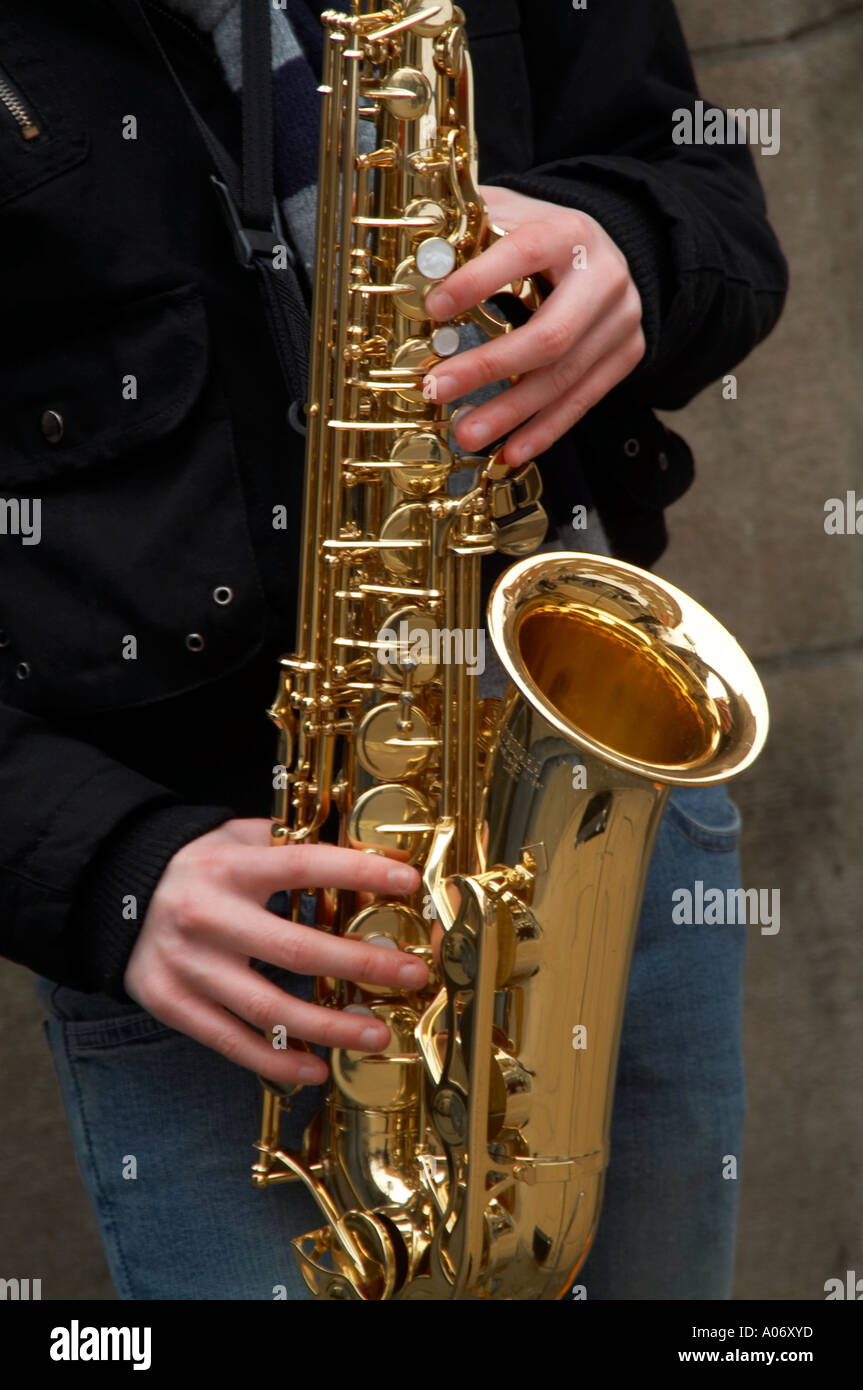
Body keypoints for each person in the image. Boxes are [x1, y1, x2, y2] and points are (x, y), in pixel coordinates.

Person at [0, 0, 787, 1299]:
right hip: (242, 955)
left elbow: (702, 186)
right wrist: (99, 869)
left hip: (602, 835)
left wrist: (638, 250)